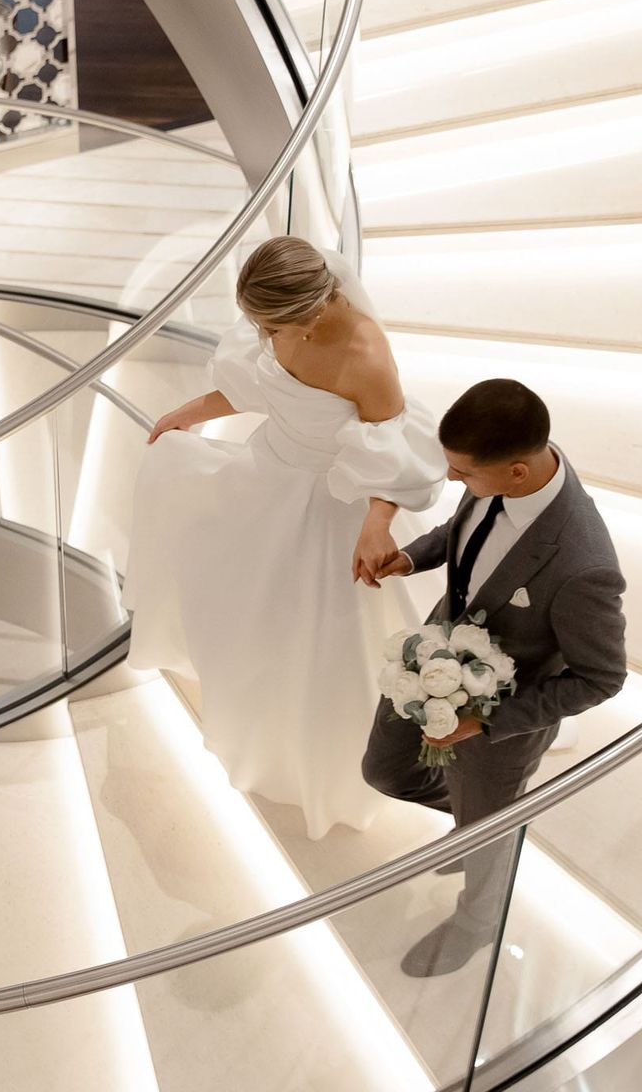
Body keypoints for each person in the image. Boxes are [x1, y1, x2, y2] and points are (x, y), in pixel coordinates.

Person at [123, 236, 447, 839]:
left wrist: (376, 526)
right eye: (257, 324)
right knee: (242, 603)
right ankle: (253, 717)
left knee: (320, 639)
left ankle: (322, 761)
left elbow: (391, 455)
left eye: (272, 326)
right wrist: (192, 412)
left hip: (332, 501)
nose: (264, 337)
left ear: (316, 310)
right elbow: (259, 387)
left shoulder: (365, 354)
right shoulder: (275, 325)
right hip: (266, 475)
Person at [361, 379, 627, 977]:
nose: (452, 481)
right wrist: (413, 556)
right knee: (382, 770)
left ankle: (479, 920)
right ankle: (470, 821)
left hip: (498, 721)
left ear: (515, 472)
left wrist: (483, 721)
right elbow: (466, 535)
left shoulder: (584, 566)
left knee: (487, 832)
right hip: (430, 663)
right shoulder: (499, 477)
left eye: (462, 473)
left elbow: (602, 678)